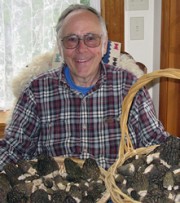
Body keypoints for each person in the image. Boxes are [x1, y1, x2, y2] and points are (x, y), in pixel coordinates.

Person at [0, 4, 169, 172]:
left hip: (116, 193)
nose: (81, 49)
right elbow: (14, 150)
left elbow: (155, 143)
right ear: (60, 48)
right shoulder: (36, 91)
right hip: (57, 194)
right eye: (71, 39)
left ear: (104, 45)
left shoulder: (129, 86)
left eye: (91, 38)